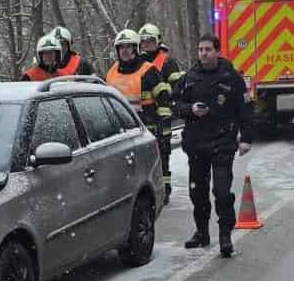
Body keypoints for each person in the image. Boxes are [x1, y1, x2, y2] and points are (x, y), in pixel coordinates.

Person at [173, 33, 250, 257]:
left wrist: (246, 137)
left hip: (222, 142)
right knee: (197, 192)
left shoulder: (231, 77)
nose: (203, 54)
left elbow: (245, 109)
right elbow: (175, 103)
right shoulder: (189, 77)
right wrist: (190, 110)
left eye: (208, 50)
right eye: (200, 50)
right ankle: (202, 232)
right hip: (197, 143)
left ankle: (225, 236)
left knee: (222, 192)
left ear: (217, 51)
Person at [104, 30, 174, 199]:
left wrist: (163, 129)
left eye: (128, 47)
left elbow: (163, 100)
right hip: (120, 131)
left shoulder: (148, 71)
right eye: (121, 47)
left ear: (135, 48)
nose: (124, 51)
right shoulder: (111, 73)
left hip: (147, 128)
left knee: (155, 165)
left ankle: (163, 191)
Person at [138, 23, 181, 202]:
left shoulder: (167, 62)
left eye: (150, 41)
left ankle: (165, 189)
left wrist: (165, 101)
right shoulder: (139, 62)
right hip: (143, 117)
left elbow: (177, 88)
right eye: (144, 41)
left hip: (163, 116)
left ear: (158, 42)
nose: (147, 44)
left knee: (163, 154)